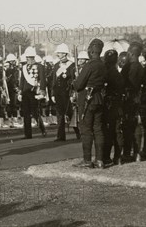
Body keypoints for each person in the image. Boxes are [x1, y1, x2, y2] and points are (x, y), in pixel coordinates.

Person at [73, 39, 107, 169]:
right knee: (98, 129)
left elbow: (78, 85)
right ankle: (99, 160)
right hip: (98, 98)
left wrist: (75, 80)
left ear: (91, 50)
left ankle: (87, 160)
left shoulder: (89, 65)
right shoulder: (103, 65)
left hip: (87, 100)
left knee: (86, 129)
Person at [51, 43, 79, 141]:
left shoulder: (72, 66)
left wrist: (72, 93)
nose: (58, 54)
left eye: (59, 53)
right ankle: (60, 136)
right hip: (58, 93)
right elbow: (54, 81)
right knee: (59, 115)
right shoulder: (56, 66)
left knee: (71, 114)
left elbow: (74, 81)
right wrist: (53, 94)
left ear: (64, 53)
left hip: (67, 93)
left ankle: (79, 133)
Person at [17, 47, 47, 139]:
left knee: (35, 113)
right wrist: (20, 92)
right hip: (26, 93)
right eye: (27, 58)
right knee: (26, 113)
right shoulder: (24, 68)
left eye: (29, 58)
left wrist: (42, 91)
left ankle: (43, 129)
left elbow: (42, 80)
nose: (28, 60)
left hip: (35, 92)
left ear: (33, 57)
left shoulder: (40, 67)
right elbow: (22, 81)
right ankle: (28, 134)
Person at [102, 49, 125, 165]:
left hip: (109, 105)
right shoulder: (118, 74)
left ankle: (106, 156)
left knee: (108, 131)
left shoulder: (106, 73)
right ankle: (118, 156)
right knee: (117, 131)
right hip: (118, 104)